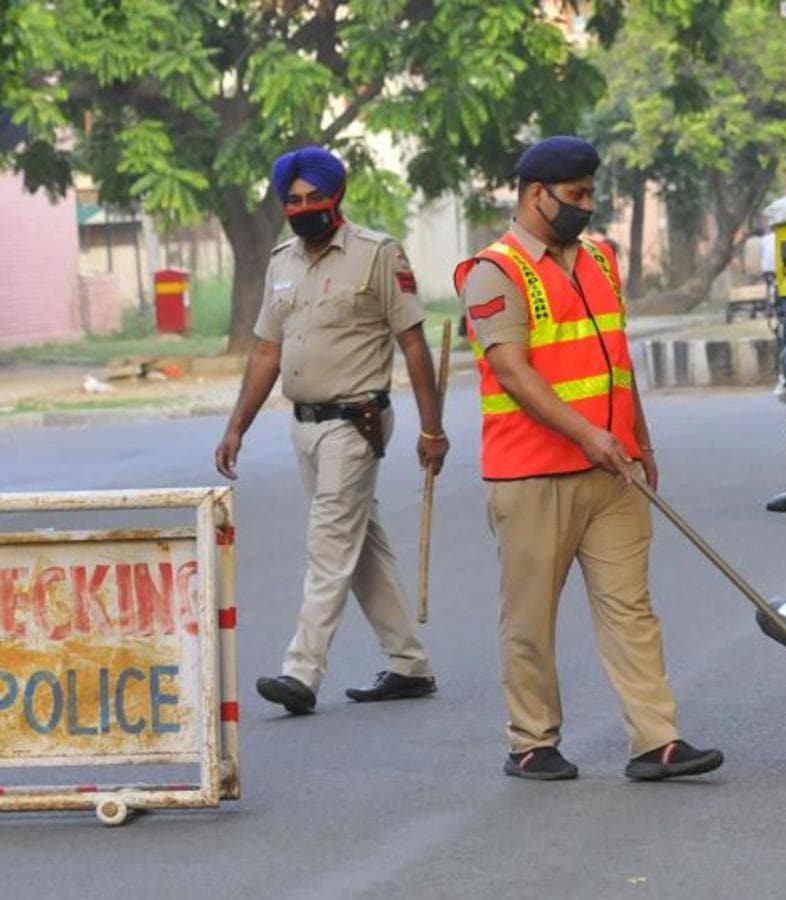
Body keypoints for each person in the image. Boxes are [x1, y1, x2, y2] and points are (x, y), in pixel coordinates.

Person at [455, 135, 722, 781]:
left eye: (590, 194)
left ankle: (656, 740)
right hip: (532, 475)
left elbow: (617, 364)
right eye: (575, 196)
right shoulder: (492, 272)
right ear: (535, 194)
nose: (587, 207)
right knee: (529, 619)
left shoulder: (600, 259)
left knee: (631, 609)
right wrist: (586, 435)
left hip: (612, 471)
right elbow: (514, 374)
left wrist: (640, 441)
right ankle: (532, 742)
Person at [216, 146, 444, 715]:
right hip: (305, 427)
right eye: (293, 200)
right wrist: (236, 425)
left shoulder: (377, 255)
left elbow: (413, 343)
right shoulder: (282, 261)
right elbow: (267, 350)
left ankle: (303, 671)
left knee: (327, 546)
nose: (304, 207)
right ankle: (408, 663)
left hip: (356, 423)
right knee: (359, 545)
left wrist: (432, 429)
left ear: (335, 196)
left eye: (314, 197)